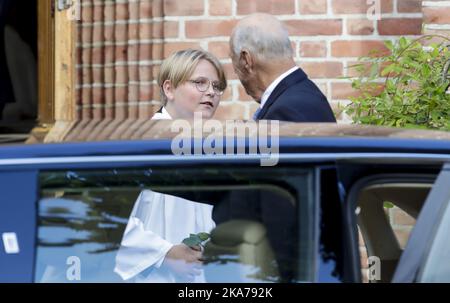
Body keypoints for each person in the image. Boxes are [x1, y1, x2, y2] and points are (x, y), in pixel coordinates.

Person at [114, 49, 227, 283]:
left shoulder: (206, 145)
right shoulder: (140, 143)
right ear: (169, 89)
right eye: (200, 83)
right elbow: (108, 220)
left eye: (217, 86)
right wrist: (165, 253)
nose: (211, 93)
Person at [229, 13, 336, 122]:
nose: (236, 72)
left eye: (234, 61)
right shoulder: (306, 94)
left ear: (246, 59)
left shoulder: (284, 112)